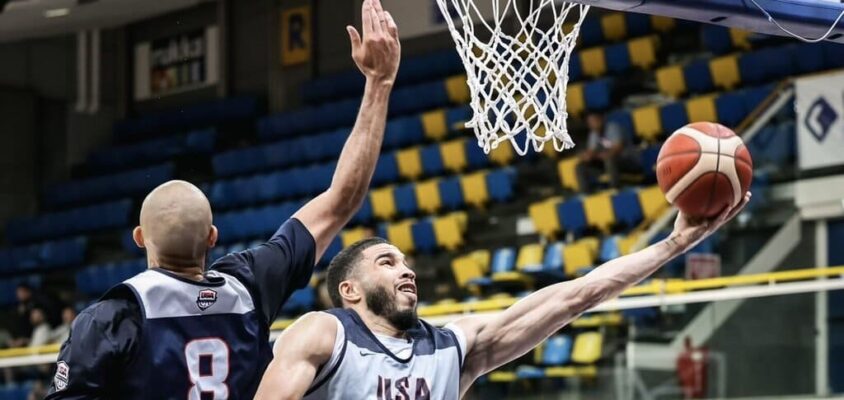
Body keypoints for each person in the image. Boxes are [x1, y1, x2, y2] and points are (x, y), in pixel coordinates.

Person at [45, 0, 400, 397]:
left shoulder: (112, 318)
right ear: (213, 236)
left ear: (140, 237)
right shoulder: (249, 285)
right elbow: (341, 200)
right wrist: (378, 83)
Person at [254, 193, 751, 399]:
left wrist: (677, 242)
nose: (407, 272)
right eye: (387, 263)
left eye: (407, 262)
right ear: (349, 290)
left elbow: (578, 295)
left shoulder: (450, 347)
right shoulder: (324, 332)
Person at [575, 111, 641, 193]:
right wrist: (586, 156)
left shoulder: (613, 128)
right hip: (606, 162)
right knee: (580, 166)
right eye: (591, 122)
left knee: (609, 159)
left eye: (595, 120)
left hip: (627, 160)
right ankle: (585, 193)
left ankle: (615, 188)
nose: (594, 124)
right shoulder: (593, 134)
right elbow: (591, 151)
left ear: (602, 119)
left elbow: (618, 148)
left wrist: (600, 155)